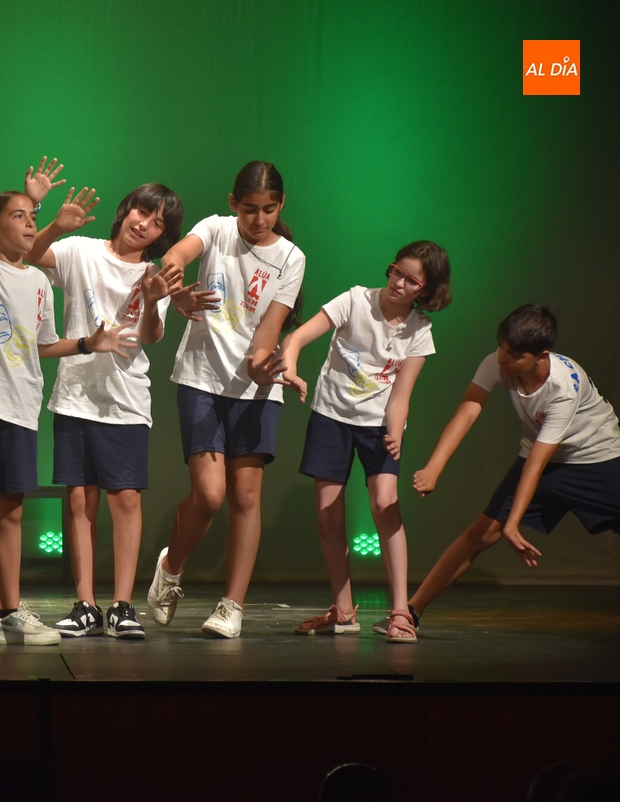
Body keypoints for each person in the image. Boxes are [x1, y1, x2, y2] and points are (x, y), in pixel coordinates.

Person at [0, 123, 138, 650]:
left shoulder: (38, 281)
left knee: (10, 513)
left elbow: (39, 345)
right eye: (20, 217)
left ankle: (10, 611)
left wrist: (87, 345)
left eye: (34, 219)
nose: (31, 225)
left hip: (21, 409)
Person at [147, 161, 306, 638]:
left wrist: (262, 364)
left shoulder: (291, 258)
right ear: (234, 203)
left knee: (245, 495)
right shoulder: (215, 230)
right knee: (210, 494)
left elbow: (271, 327)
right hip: (201, 377)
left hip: (257, 387)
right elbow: (177, 254)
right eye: (251, 209)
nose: (260, 219)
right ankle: (171, 569)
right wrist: (173, 287)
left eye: (270, 209)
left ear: (281, 206)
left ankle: (231, 605)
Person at [393, 305, 620, 631]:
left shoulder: (563, 388)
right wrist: (434, 467)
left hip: (597, 459)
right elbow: (468, 410)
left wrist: (514, 523)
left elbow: (539, 462)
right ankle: (410, 612)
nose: (503, 358)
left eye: (513, 354)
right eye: (501, 347)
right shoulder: (497, 362)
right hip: (543, 456)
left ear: (541, 356)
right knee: (480, 533)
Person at [24, 182, 184, 639]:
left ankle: (122, 605)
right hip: (76, 393)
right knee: (79, 499)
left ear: (162, 235)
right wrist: (54, 224)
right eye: (142, 212)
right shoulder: (80, 250)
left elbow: (151, 336)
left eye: (158, 223)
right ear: (126, 208)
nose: (145, 225)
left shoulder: (157, 273)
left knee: (126, 499)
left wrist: (152, 298)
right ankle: (85, 603)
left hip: (126, 398)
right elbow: (31, 256)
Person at [277, 241, 452, 642]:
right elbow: (296, 339)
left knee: (385, 505)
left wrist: (393, 432)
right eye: (395, 271)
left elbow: (402, 393)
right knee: (327, 516)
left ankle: (399, 613)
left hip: (379, 426)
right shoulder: (355, 301)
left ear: (424, 290)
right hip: (331, 416)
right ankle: (343, 610)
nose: (398, 282)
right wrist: (290, 366)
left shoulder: (419, 331)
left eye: (411, 280)